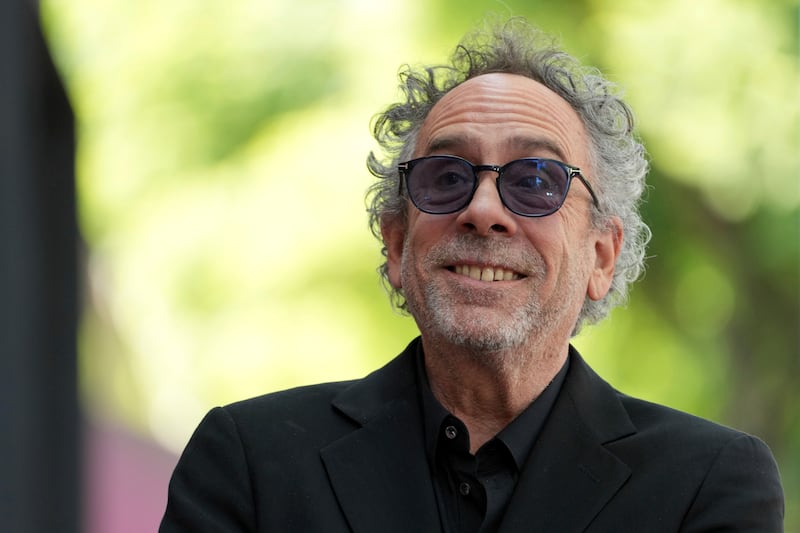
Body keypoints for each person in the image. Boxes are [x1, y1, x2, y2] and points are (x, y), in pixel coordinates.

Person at [160, 18, 784, 532]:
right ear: (397, 243)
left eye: (535, 180)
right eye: (447, 178)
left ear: (601, 256)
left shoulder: (709, 484)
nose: (483, 210)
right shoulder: (248, 462)